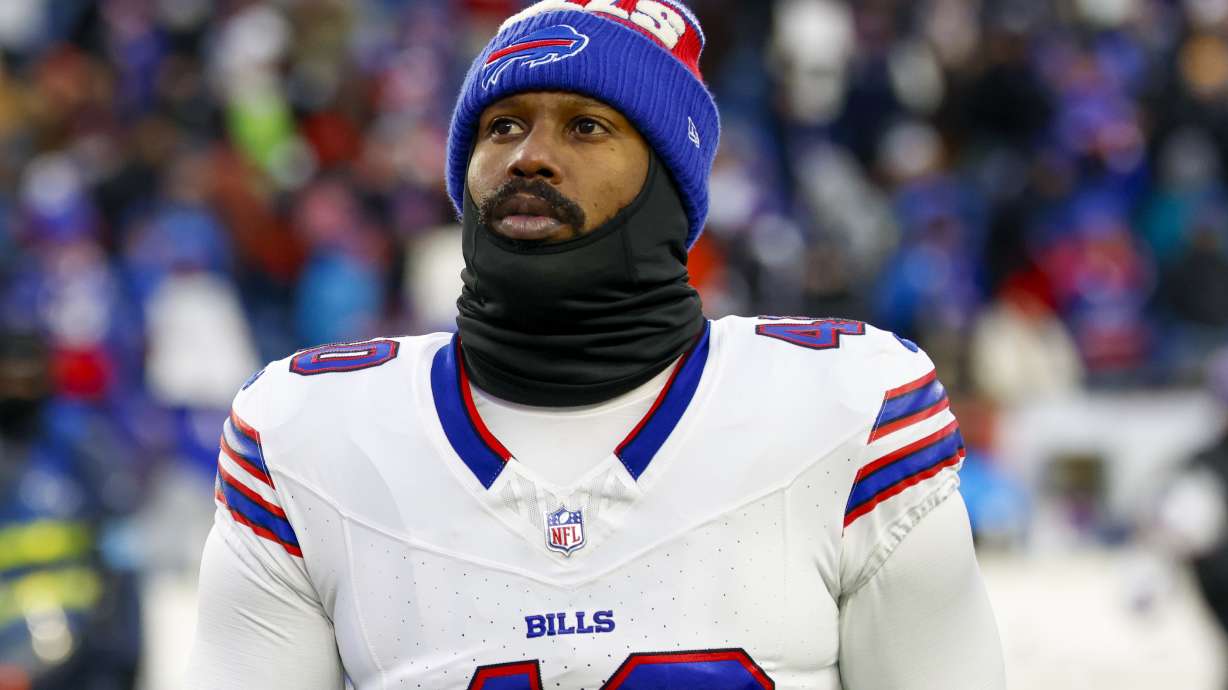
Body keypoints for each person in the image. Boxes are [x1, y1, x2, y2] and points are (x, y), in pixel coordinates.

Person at [187, 2, 1006, 688]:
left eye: (586, 127)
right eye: (502, 126)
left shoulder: (849, 410)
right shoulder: (307, 435)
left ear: (668, 181)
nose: (529, 156)